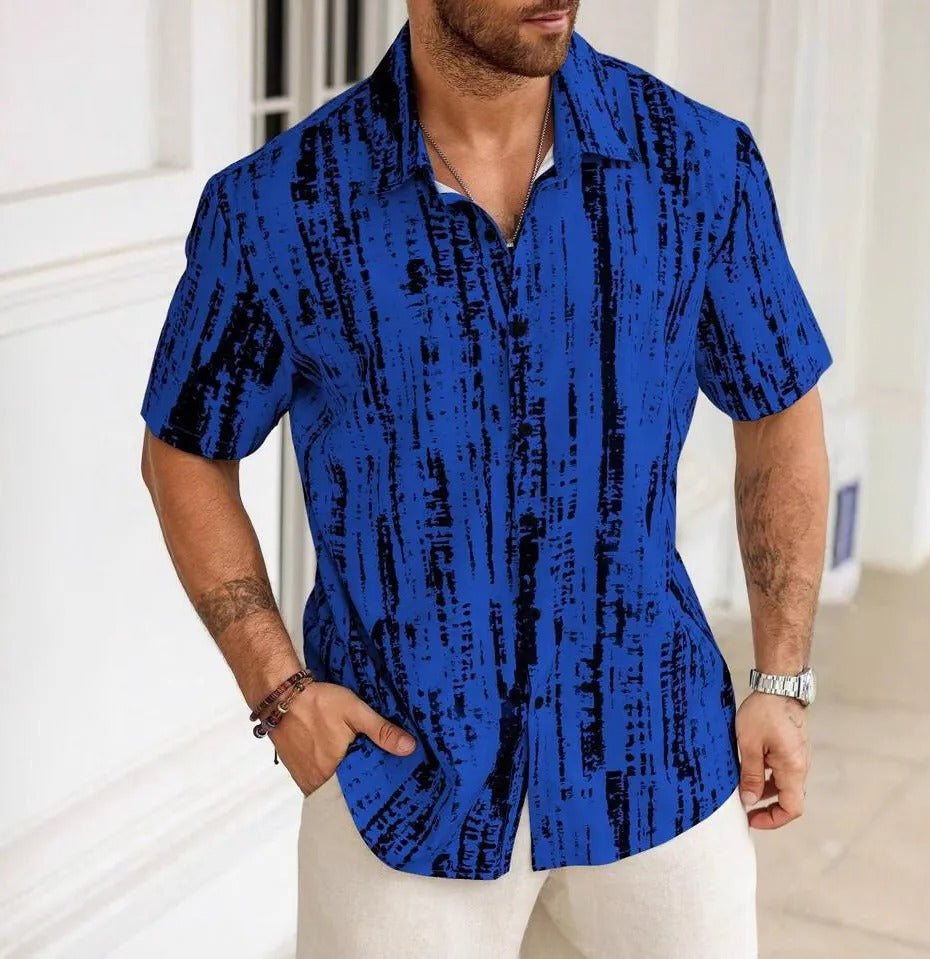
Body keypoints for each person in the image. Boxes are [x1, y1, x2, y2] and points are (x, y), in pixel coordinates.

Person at [139, 2, 833, 956]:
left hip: (657, 759)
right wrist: (278, 689)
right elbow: (182, 447)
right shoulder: (277, 206)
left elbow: (779, 405)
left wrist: (781, 675)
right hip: (399, 787)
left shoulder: (696, 164)